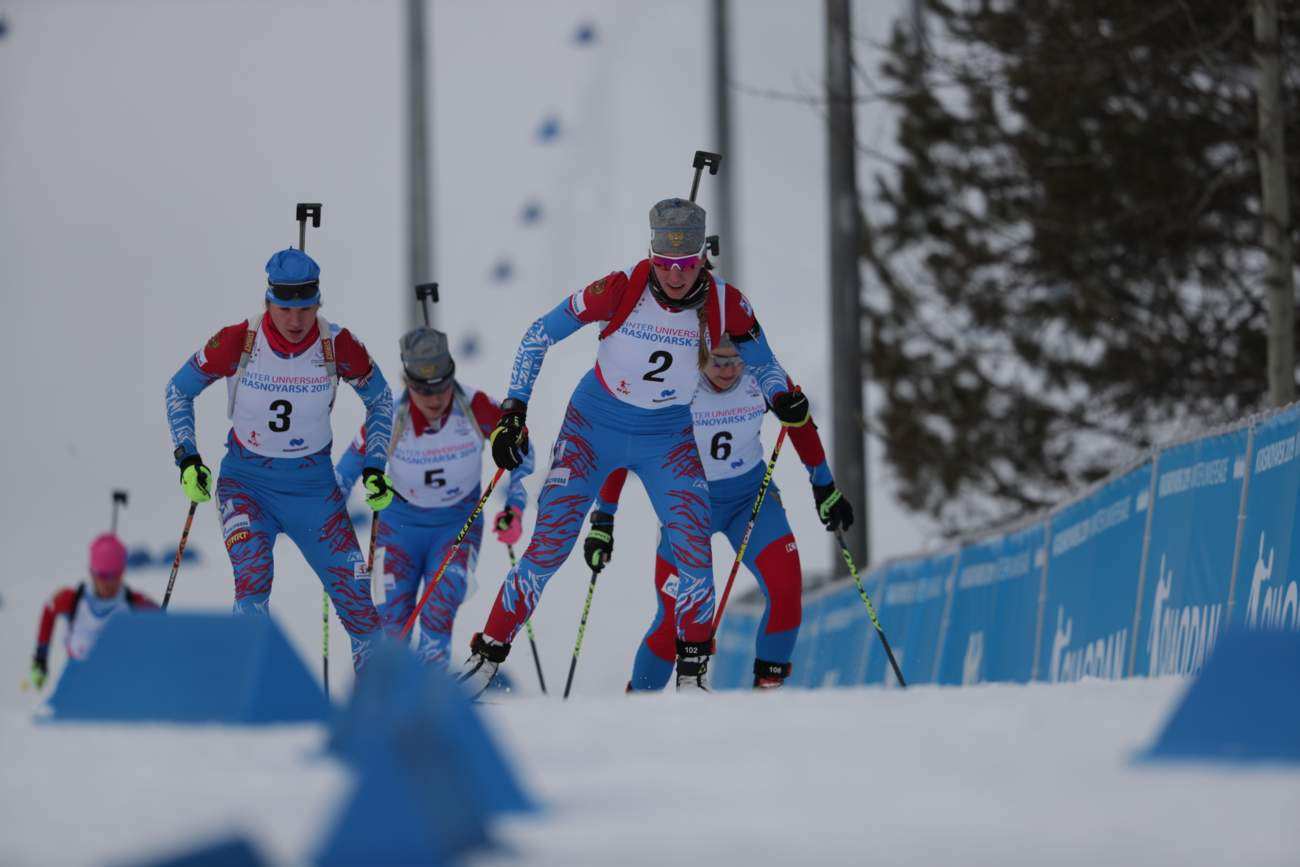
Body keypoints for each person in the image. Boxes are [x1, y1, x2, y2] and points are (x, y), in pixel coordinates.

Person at [458, 197, 808, 695]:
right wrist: (514, 413)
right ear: (652, 253)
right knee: (549, 548)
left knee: (693, 551)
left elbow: (768, 364)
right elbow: (538, 334)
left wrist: (783, 398)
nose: (675, 277)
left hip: (666, 436)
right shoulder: (619, 287)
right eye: (665, 265)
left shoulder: (728, 304)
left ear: (701, 260)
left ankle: (692, 677)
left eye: (686, 266)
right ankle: (486, 659)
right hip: (592, 427)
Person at [163, 248, 394, 671]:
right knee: (253, 581)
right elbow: (178, 390)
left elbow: (381, 399)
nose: (295, 321)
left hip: (314, 490)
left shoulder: (339, 345)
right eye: (285, 309)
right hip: (246, 484)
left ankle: (376, 715)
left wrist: (375, 466)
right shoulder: (237, 339)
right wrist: (188, 459)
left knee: (360, 604)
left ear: (318, 304)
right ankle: (248, 696)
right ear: (268, 301)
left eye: (305, 309)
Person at [584, 338, 854, 690]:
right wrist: (604, 517)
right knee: (672, 621)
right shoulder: (674, 381)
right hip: (687, 504)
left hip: (750, 500)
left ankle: (767, 692)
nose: (728, 372)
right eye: (717, 362)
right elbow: (626, 446)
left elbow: (801, 426)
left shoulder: (763, 374)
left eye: (735, 363)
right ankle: (638, 709)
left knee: (787, 591)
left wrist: (825, 488)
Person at [336, 327, 534, 667]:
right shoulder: (389, 417)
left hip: (456, 530)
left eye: (442, 385)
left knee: (436, 619)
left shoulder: (476, 406)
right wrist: (328, 525)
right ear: (408, 382)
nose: (435, 398)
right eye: (423, 389)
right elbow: (344, 473)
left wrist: (514, 507)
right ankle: (377, 709)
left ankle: (431, 711)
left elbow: (523, 450)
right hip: (398, 532)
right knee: (390, 629)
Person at [28, 534, 156, 689]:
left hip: (118, 689)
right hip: (76, 688)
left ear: (122, 572)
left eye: (115, 575)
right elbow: (49, 609)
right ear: (92, 572)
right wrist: (41, 657)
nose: (109, 583)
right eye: (103, 575)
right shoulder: (73, 600)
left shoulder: (135, 603)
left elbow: (164, 625)